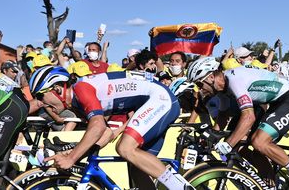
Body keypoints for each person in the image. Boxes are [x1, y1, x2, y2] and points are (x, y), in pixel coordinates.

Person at [30, 66, 193, 189]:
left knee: (125, 148)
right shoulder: (77, 104)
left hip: (160, 99)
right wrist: (73, 154)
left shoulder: (81, 89)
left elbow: (98, 126)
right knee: (137, 167)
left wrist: (71, 159)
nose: (41, 103)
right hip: (151, 101)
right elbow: (106, 133)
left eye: (40, 95)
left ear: (57, 89)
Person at [187, 57, 289, 189]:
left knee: (259, 142)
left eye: (200, 84)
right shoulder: (222, 90)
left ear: (211, 77)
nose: (200, 90)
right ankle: (269, 181)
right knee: (239, 145)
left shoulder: (234, 80)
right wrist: (211, 138)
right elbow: (223, 117)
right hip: (271, 104)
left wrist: (228, 145)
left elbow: (249, 117)